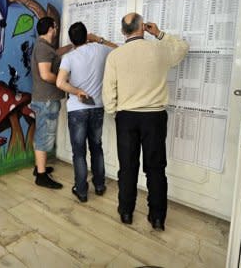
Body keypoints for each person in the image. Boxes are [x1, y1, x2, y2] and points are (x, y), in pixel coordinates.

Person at [102, 12, 189, 231]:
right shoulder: (159, 50)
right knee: (156, 169)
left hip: (127, 117)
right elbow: (183, 49)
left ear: (123, 32)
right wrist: (159, 33)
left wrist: (114, 112)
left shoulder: (115, 56)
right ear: (143, 27)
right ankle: (157, 217)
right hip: (155, 117)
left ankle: (126, 212)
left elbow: (108, 91)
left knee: (128, 168)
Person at [56, 22, 117, 202]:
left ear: (71, 40)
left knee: (79, 152)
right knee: (97, 147)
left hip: (77, 110)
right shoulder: (101, 50)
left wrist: (76, 91)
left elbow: (60, 83)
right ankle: (99, 185)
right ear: (86, 36)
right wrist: (99, 39)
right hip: (97, 108)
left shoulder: (69, 57)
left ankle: (81, 191)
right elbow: (119, 49)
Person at [30, 16, 72, 189]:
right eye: (55, 27)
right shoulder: (43, 49)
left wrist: (70, 47)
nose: (56, 30)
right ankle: (41, 176)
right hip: (47, 99)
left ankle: (39, 168)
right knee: (44, 135)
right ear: (50, 29)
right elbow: (46, 74)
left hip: (44, 99)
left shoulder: (45, 47)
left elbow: (55, 54)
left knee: (42, 132)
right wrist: (63, 81)